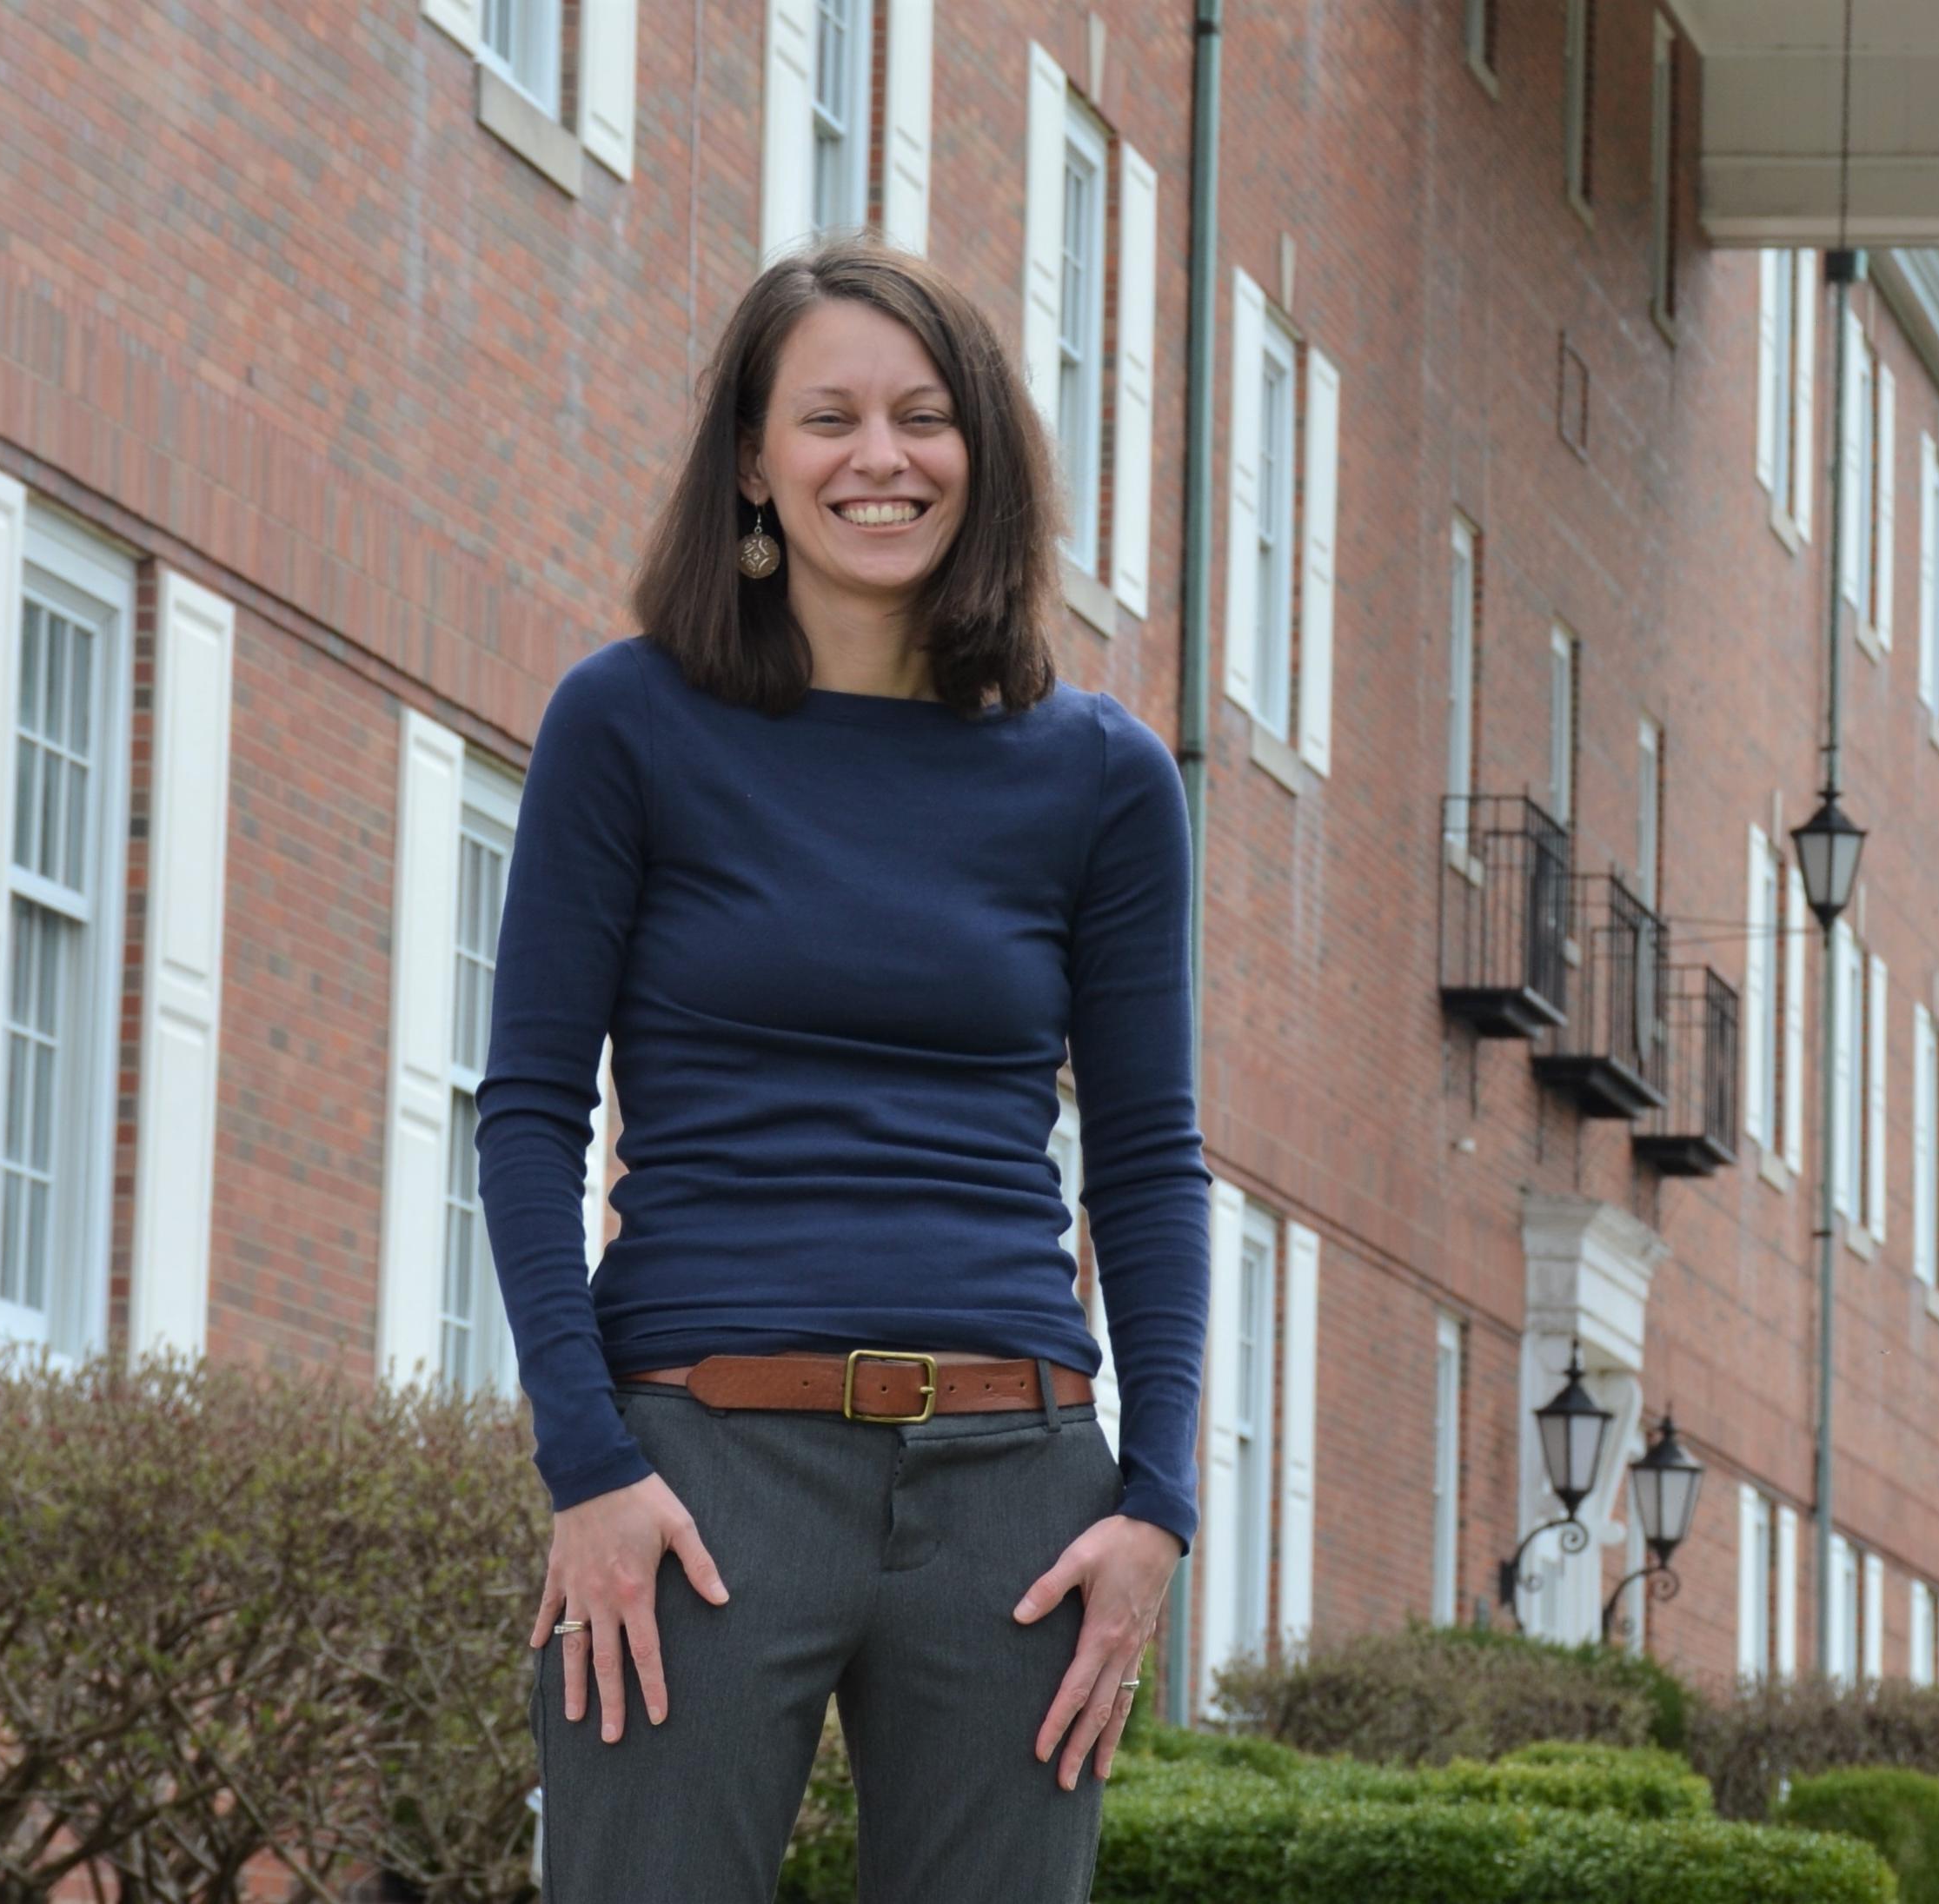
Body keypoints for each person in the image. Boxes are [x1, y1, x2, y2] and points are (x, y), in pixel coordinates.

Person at [475, 232, 1212, 1900]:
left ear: (986, 455)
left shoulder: (1101, 778)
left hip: (1018, 1496)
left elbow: (1155, 1164)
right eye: (828, 419)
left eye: (924, 415)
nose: (880, 458)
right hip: (699, 1474)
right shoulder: (630, 726)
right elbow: (527, 1114)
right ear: (753, 458)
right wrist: (586, 1466)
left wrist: (1153, 1504)